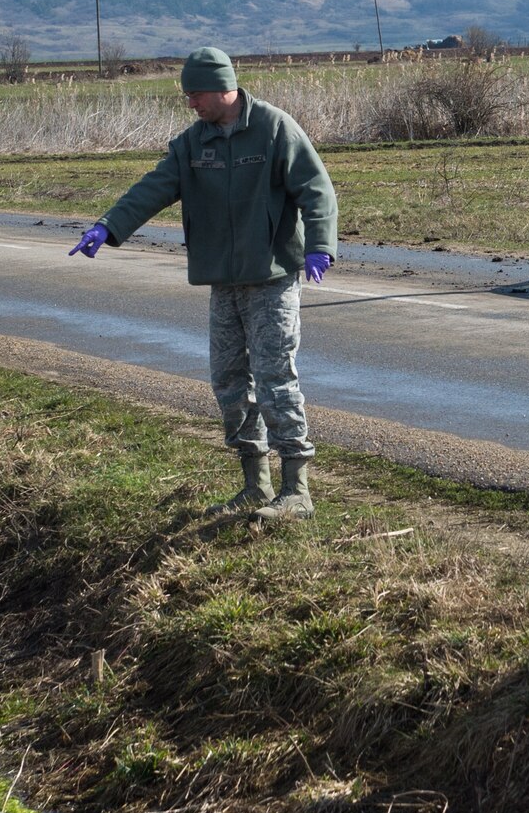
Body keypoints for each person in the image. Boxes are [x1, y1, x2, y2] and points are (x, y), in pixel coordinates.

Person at [68, 46, 338, 520]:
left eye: (195, 94)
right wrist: (109, 226)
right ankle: (256, 484)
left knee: (276, 378)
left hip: (271, 277)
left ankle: (297, 489)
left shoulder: (275, 129)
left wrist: (321, 244)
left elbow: (316, 188)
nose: (190, 103)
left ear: (221, 86)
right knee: (229, 382)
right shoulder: (193, 144)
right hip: (223, 279)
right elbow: (152, 188)